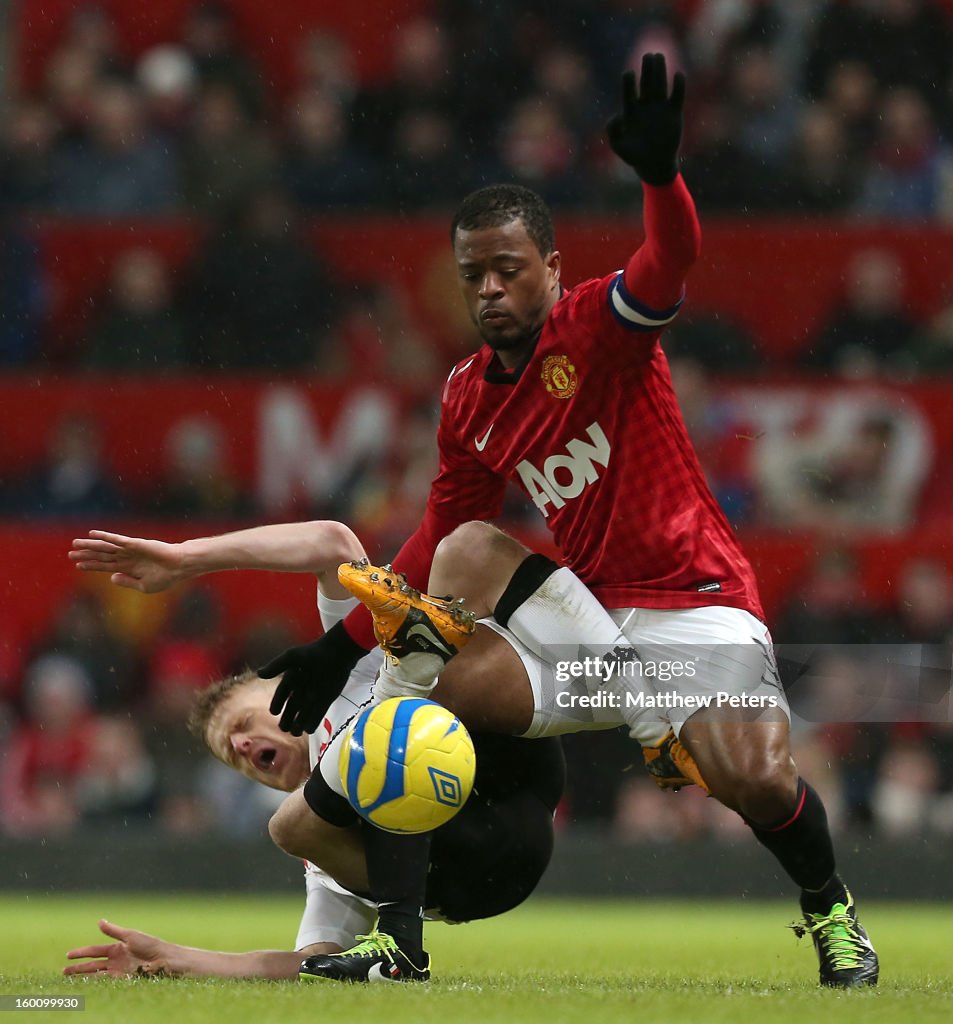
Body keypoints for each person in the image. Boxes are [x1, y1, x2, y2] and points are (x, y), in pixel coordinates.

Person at [262, 55, 878, 988]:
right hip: (583, 629)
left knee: (752, 778)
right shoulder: (467, 397)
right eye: (474, 276)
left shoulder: (596, 329)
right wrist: (338, 646)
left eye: (508, 270)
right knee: (431, 633)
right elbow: (437, 541)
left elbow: (669, 263)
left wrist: (661, 179)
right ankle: (399, 938)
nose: (489, 292)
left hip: (694, 601)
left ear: (549, 269)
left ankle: (830, 909)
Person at [67, 519, 567, 981]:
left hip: (515, 772)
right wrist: (175, 958)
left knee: (445, 586)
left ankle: (608, 662)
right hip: (473, 877)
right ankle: (399, 937)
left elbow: (332, 544)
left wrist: (186, 559)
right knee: (290, 822)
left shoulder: (346, 669)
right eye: (232, 755)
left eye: (243, 723)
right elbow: (316, 958)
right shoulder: (319, 842)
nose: (241, 746)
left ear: (285, 684)